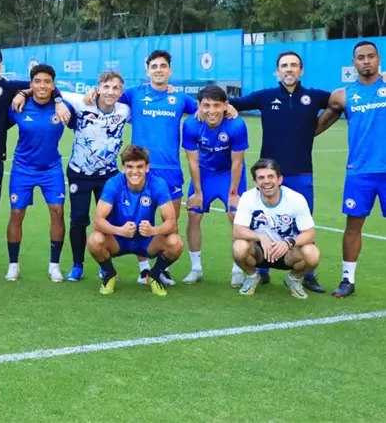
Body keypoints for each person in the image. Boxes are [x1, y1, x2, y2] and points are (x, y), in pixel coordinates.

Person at [0, 46, 70, 282]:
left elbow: (44, 86)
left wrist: (57, 99)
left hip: (1, 165)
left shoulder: (11, 88)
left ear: (1, 66)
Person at [226, 50, 331, 292]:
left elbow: (340, 102)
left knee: (304, 226)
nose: (289, 69)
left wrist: (323, 123)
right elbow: (233, 103)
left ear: (301, 70)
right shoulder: (266, 97)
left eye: (294, 65)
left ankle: (307, 274)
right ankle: (261, 271)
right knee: (261, 223)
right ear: (277, 71)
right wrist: (228, 107)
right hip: (269, 175)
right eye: (284, 65)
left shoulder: (314, 97)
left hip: (302, 173)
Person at [112, 50, 199, 285]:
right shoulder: (134, 95)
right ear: (147, 70)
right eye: (154, 66)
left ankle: (161, 269)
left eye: (163, 66)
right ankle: (144, 268)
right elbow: (107, 98)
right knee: (141, 219)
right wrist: (91, 93)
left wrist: (229, 108)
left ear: (169, 70)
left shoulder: (180, 99)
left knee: (170, 222)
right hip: (140, 170)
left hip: (171, 170)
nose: (159, 70)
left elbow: (207, 108)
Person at [314, 40, 386, 298]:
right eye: (360, 58)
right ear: (353, 63)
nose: (366, 61)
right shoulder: (343, 95)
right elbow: (317, 127)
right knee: (353, 226)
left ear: (378, 60)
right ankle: (348, 280)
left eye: (371, 57)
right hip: (360, 172)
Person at [5, 64, 74, 282]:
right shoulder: (18, 106)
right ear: (31, 84)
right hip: (23, 168)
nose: (42, 86)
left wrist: (61, 102)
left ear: (53, 85)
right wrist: (21, 94)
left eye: (47, 82)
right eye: (37, 81)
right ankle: (13, 264)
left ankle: (54, 265)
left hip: (51, 168)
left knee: (57, 212)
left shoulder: (63, 108)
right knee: (17, 214)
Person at [86, 145, 184, 297]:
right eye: (130, 166)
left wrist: (154, 230)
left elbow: (171, 222)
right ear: (123, 167)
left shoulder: (157, 184)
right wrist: (119, 230)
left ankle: (155, 275)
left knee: (175, 242)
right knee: (94, 240)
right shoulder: (114, 183)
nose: (134, 171)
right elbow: (98, 221)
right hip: (119, 240)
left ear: (147, 167)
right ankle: (110, 274)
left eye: (139, 166)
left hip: (147, 240)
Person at [61, 71, 131, 281]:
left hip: (108, 176)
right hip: (79, 173)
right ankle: (77, 265)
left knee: (106, 220)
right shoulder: (82, 103)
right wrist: (59, 103)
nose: (110, 92)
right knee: (78, 220)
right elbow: (56, 92)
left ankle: (104, 265)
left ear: (121, 91)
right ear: (98, 88)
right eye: (106, 87)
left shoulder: (125, 110)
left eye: (115, 88)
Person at [181, 85, 249, 286]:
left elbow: (237, 162)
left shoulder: (236, 125)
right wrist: (198, 192)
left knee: (236, 216)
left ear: (225, 105)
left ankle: (237, 269)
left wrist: (234, 192)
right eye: (206, 105)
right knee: (194, 214)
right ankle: (196, 268)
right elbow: (192, 161)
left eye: (217, 105)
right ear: (199, 106)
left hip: (229, 174)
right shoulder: (191, 124)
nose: (212, 110)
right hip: (204, 173)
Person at [231, 158, 320, 299]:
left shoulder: (296, 199)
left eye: (270, 177)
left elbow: (310, 234)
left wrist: (288, 243)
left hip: (288, 252)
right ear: (255, 183)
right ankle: (252, 276)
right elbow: (238, 230)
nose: (266, 181)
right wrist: (261, 237)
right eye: (261, 178)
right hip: (259, 251)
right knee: (239, 246)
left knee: (312, 253)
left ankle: (294, 279)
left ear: (279, 180)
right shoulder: (248, 197)